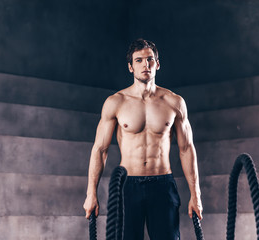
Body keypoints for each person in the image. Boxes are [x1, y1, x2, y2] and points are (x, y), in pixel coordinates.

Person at [83, 38, 203, 239]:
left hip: (163, 185)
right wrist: (91, 193)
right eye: (138, 60)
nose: (145, 65)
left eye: (149, 60)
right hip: (128, 186)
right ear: (130, 67)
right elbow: (100, 149)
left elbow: (186, 149)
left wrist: (196, 194)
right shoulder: (116, 102)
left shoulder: (174, 102)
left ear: (157, 63)